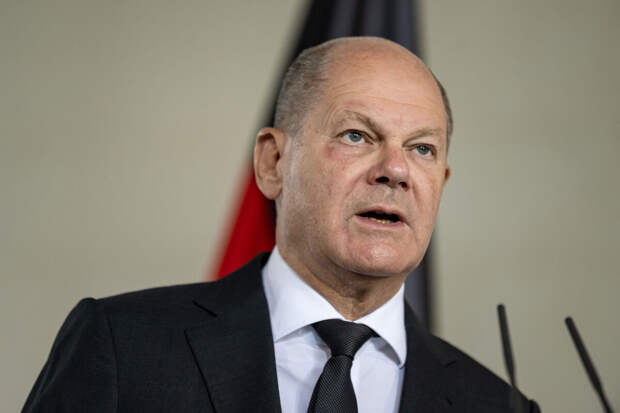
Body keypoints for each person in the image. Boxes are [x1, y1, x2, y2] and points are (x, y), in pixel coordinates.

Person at [23, 37, 540, 412]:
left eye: (422, 148)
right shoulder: (123, 346)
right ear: (273, 163)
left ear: (441, 182)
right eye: (357, 136)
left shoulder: (496, 405)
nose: (396, 170)